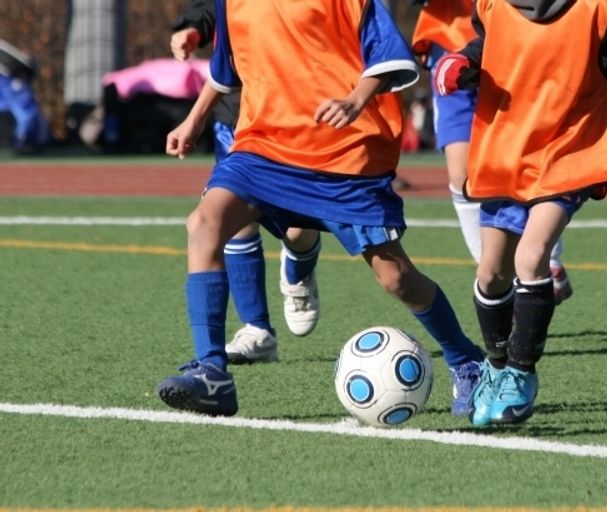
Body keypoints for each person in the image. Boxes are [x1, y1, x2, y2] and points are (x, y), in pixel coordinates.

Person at [156, 0, 485, 417]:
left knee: (396, 277)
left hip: (343, 151)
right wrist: (194, 119)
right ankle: (212, 373)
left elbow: (390, 56)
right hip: (265, 145)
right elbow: (228, 69)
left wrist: (355, 99)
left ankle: (466, 359)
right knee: (205, 222)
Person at [433, 0, 607, 425]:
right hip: (506, 150)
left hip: (570, 153)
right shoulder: (492, 4)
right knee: (490, 273)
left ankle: (521, 377)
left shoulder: (603, 10)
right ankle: (495, 366)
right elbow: (490, 44)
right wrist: (461, 60)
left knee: (531, 256)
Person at [170, 0, 323, 366]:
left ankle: (300, 266)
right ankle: (257, 329)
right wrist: (193, 28)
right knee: (231, 217)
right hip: (238, 117)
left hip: (300, 113)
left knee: (300, 228)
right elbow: (219, 10)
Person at [408, 0, 573, 304]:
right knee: (463, 175)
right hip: (452, 41)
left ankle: (548, 258)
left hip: (522, 37)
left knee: (530, 155)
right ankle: (495, 277)